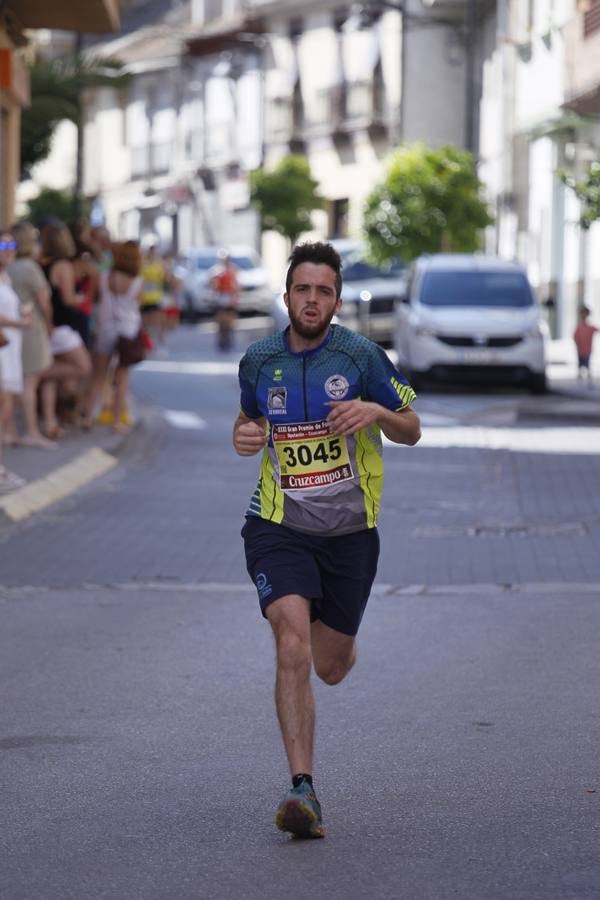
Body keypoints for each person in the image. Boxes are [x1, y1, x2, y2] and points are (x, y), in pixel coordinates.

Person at [233, 241, 421, 839]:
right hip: (277, 526)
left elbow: (413, 428)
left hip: (348, 536)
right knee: (290, 642)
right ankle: (302, 791)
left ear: (336, 300)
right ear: (287, 295)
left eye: (323, 291)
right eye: (302, 289)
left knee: (330, 666)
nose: (312, 300)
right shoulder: (259, 361)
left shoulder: (363, 356)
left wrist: (375, 413)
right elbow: (249, 423)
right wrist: (243, 435)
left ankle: (332, 635)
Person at [83, 241, 144, 433]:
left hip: (105, 328)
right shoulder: (137, 281)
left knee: (99, 376)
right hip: (128, 330)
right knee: (122, 378)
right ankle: (117, 421)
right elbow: (138, 306)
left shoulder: (102, 277)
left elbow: (92, 299)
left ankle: (87, 418)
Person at [38, 222, 92, 437]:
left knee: (53, 377)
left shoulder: (41, 262)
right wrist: (81, 298)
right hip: (61, 326)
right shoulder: (63, 265)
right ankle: (34, 375)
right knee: (83, 366)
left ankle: (50, 423)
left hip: (46, 325)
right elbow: (68, 298)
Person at [8, 222, 56, 449]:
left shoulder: (9, 266)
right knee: (29, 382)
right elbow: (44, 303)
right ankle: (32, 432)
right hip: (29, 328)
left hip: (13, 331)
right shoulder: (29, 267)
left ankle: (13, 431)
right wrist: (49, 326)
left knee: (17, 383)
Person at [0, 230, 32, 489]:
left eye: (13, 244)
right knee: (3, 409)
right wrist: (21, 321)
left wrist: (22, 312)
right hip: (2, 348)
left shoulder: (7, 276)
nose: (9, 249)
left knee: (6, 410)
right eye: (4, 244)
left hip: (10, 349)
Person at [209, 253, 239, 350]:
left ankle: (229, 339)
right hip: (221, 297)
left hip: (230, 297)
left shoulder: (233, 269)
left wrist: (236, 296)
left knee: (230, 320)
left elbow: (236, 284)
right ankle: (221, 340)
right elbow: (213, 284)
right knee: (221, 320)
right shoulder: (216, 270)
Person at [573, 306, 598, 386]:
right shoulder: (579, 327)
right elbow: (575, 337)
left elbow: (596, 329)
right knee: (581, 367)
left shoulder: (590, 327)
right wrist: (577, 344)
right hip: (581, 350)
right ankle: (581, 383)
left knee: (587, 367)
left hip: (587, 350)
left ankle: (589, 383)